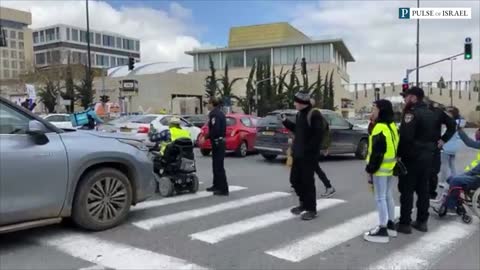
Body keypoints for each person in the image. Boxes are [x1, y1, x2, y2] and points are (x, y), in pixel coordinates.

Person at [397, 87, 437, 234]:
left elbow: (406, 137)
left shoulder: (411, 113)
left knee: (407, 190)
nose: (404, 100)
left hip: (412, 157)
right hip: (428, 157)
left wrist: (399, 155)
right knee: (423, 190)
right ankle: (422, 221)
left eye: (406, 97)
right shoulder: (431, 114)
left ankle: (405, 223)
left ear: (413, 98)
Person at [282, 91, 324, 220]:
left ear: (302, 103)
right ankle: (303, 204)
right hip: (298, 154)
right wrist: (285, 122)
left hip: (308, 156)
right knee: (294, 180)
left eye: (296, 102)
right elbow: (298, 130)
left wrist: (308, 151)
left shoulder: (314, 114)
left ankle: (312, 209)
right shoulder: (300, 114)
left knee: (308, 182)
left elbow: (318, 136)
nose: (294, 104)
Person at [364, 99, 399, 243]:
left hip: (380, 169)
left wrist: (370, 170)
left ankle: (383, 229)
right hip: (390, 167)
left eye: (374, 109)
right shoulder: (392, 126)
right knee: (388, 195)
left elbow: (376, 153)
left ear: (381, 110)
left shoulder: (379, 128)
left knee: (380, 198)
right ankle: (391, 225)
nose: (372, 111)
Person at [434, 126, 480, 213]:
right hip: (476, 175)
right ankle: (446, 201)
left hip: (478, 179)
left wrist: (460, 131)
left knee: (455, 180)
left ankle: (450, 207)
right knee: (451, 178)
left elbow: (469, 143)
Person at [424, 98, 456, 200]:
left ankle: (431, 194)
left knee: (433, 172)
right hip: (418, 147)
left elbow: (452, 125)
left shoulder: (438, 112)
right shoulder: (412, 111)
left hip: (433, 146)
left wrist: (443, 140)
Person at [310, 99, 336, 197]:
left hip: (314, 147)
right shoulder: (309, 115)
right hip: (310, 147)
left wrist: (325, 147)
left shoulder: (316, 115)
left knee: (314, 167)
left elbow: (324, 132)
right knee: (310, 167)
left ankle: (329, 187)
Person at [205, 97, 229, 196]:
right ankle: (216, 185)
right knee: (215, 165)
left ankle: (223, 189)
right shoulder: (219, 113)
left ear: (212, 104)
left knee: (219, 166)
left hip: (218, 142)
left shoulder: (214, 114)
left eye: (208, 103)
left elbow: (216, 129)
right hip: (218, 142)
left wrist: (206, 136)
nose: (207, 105)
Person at [438, 107, 463, 193]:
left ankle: (442, 181)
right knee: (452, 164)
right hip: (454, 147)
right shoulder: (459, 123)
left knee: (444, 164)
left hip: (447, 146)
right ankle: (455, 179)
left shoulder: (450, 123)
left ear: (451, 114)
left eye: (448, 113)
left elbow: (446, 135)